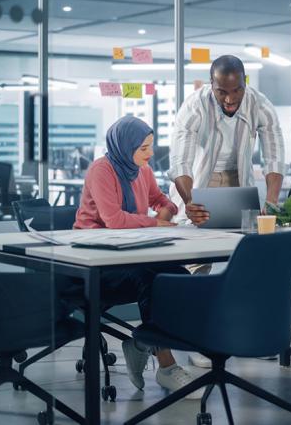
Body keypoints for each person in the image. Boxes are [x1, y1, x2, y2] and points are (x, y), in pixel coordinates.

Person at [168, 54, 286, 367]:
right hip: (197, 183)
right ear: (212, 85)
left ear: (245, 83)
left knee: (251, 256)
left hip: (240, 182)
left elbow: (274, 157)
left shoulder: (259, 104)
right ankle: (197, 338)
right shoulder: (194, 106)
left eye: (236, 91)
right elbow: (179, 162)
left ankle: (252, 335)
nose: (230, 99)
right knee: (197, 260)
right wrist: (190, 202)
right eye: (222, 92)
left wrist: (271, 199)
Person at [74, 115, 203, 399]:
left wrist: (167, 210)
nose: (150, 154)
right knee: (150, 279)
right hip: (95, 264)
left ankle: (143, 343)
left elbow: (161, 200)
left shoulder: (141, 170)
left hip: (131, 253)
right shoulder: (101, 171)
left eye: (150, 146)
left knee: (177, 275)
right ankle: (167, 366)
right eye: (143, 148)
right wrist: (157, 223)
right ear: (124, 146)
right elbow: (114, 220)